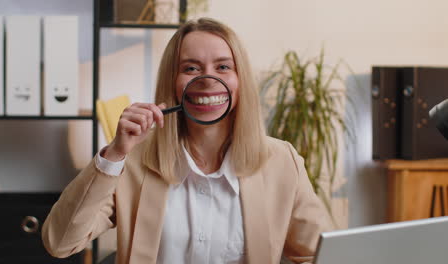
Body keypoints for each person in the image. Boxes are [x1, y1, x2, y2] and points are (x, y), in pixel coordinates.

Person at [42, 17, 331, 264]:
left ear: (240, 80)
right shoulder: (132, 161)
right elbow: (60, 242)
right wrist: (114, 154)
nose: (206, 78)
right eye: (191, 68)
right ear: (173, 82)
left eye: (222, 67)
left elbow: (324, 255)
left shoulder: (281, 162)